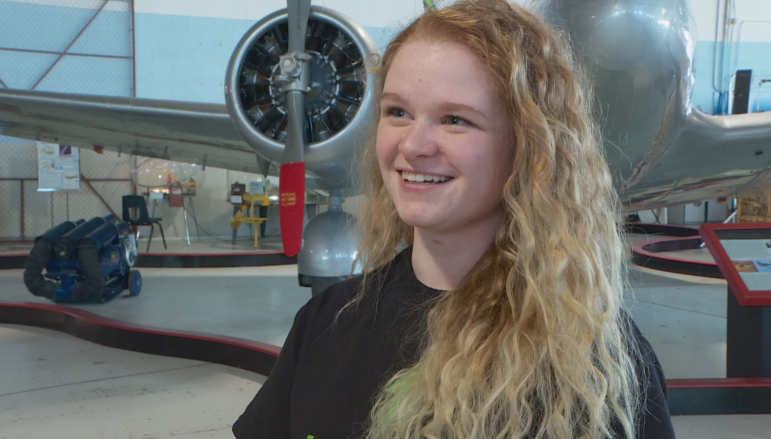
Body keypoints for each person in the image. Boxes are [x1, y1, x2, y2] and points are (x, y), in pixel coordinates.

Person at [233, 1, 676, 438]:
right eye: (398, 112)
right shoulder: (325, 323)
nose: (413, 145)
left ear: (528, 147)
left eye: (455, 119)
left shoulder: (600, 364)